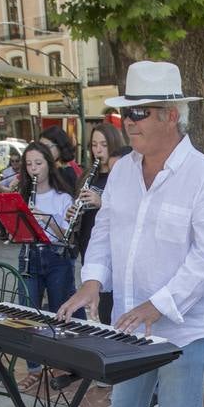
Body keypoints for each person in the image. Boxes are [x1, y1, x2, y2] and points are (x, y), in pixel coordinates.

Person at [57, 61, 204, 407]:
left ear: (171, 114)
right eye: (124, 114)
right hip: (129, 323)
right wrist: (93, 280)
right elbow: (106, 232)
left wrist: (160, 303)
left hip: (181, 324)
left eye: (139, 112)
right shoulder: (122, 173)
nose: (128, 122)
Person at [14, 140, 77, 394]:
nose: (33, 168)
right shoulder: (20, 195)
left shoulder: (62, 197)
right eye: (28, 164)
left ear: (49, 166)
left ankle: (61, 363)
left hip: (55, 256)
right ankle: (34, 368)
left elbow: (67, 237)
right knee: (27, 311)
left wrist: (44, 220)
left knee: (59, 309)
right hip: (29, 253)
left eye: (38, 163)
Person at [73, 122, 126, 324]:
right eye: (94, 145)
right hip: (89, 241)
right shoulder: (88, 176)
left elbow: (127, 209)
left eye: (103, 144)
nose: (98, 150)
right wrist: (73, 213)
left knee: (111, 304)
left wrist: (100, 201)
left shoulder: (120, 172)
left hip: (114, 245)